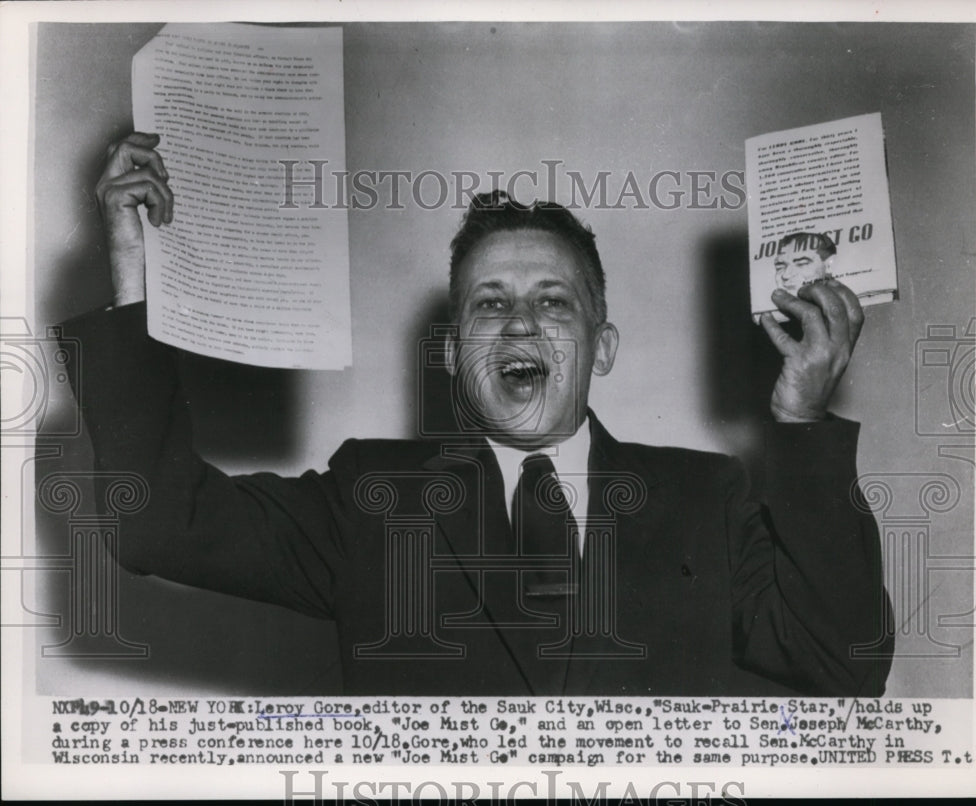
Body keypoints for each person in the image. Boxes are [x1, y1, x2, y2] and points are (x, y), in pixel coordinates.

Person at [63, 132, 893, 696]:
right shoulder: (370, 497)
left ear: (602, 348)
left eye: (553, 302)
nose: (521, 322)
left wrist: (804, 421)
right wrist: (135, 266)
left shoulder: (706, 497)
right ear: (457, 352)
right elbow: (158, 524)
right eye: (489, 305)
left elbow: (842, 661)